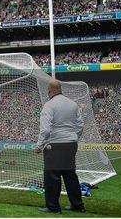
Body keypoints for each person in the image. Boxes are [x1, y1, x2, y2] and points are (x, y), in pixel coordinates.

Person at [35, 79, 85, 213]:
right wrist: (73, 138)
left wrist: (39, 145)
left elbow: (45, 130)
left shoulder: (49, 105)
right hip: (71, 143)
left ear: (50, 91)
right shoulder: (73, 104)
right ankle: (77, 205)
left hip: (55, 144)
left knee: (52, 176)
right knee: (70, 175)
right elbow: (80, 125)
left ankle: (53, 207)